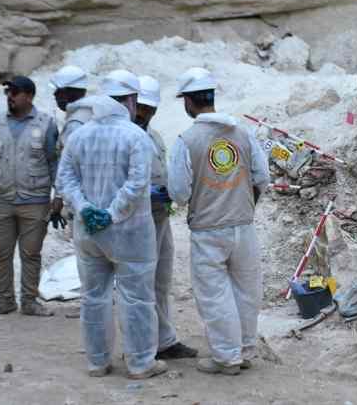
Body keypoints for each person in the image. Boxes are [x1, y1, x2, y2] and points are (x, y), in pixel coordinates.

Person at [56, 69, 167, 379]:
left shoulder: (79, 135)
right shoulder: (136, 136)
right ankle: (141, 362)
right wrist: (112, 213)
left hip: (88, 233)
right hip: (130, 233)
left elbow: (65, 178)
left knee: (93, 297)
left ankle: (97, 362)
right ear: (131, 100)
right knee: (137, 297)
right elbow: (136, 184)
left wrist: (85, 208)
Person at [168, 67, 270, 375]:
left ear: (188, 101)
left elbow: (179, 192)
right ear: (211, 96)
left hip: (208, 230)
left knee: (215, 296)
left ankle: (227, 357)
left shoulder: (186, 140)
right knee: (247, 290)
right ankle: (246, 350)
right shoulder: (242, 132)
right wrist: (244, 203)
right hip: (244, 225)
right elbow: (262, 177)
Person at [0, 76, 58, 319]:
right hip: (2, 201)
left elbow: (54, 163)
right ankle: (5, 301)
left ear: (29, 96)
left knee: (30, 253)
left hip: (36, 201)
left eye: (15, 92)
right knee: (1, 253)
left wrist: (58, 195)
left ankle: (29, 301)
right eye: (8, 92)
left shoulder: (47, 124)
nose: (10, 96)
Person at [134, 75, 197, 360]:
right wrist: (145, 194)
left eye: (149, 108)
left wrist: (169, 191)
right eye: (141, 107)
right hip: (135, 221)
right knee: (139, 284)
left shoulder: (154, 136)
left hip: (159, 216)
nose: (144, 113)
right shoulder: (123, 136)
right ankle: (143, 347)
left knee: (160, 281)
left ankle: (164, 341)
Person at [49, 65, 91, 233]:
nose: (55, 95)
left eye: (58, 91)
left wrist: (58, 200)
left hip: (81, 199)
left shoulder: (75, 124)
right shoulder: (93, 113)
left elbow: (67, 166)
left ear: (68, 93)